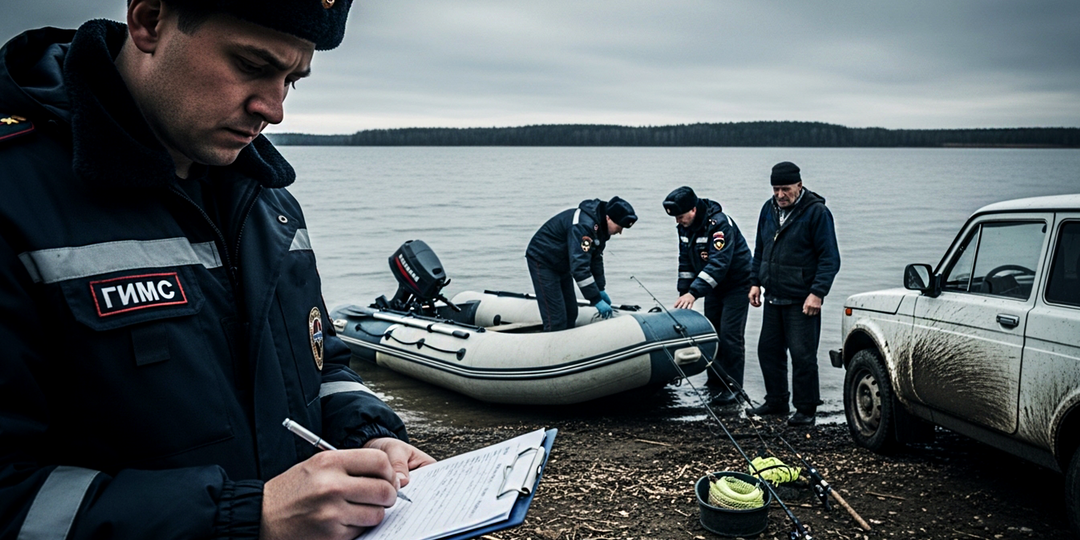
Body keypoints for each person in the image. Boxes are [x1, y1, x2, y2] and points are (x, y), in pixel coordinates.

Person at [0, 1, 435, 539]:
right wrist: (246, 516)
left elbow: (322, 363)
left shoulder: (269, 202)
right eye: (250, 65)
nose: (273, 109)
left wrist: (368, 437)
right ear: (150, 21)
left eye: (291, 81)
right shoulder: (13, 194)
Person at [747, 162, 841, 426]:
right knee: (768, 351)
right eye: (776, 189)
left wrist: (817, 293)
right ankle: (776, 401)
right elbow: (760, 249)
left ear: (799, 185)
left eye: (785, 189)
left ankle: (806, 409)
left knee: (803, 356)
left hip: (802, 299)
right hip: (773, 295)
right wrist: (755, 282)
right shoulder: (768, 209)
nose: (780, 194)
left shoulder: (817, 213)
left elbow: (830, 258)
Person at [664, 186, 753, 405]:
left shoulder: (719, 225)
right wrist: (684, 292)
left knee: (730, 336)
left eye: (681, 216)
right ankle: (715, 383)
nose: (678, 221)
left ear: (693, 210)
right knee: (713, 335)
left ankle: (734, 387)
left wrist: (694, 293)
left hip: (737, 285)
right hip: (713, 286)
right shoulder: (684, 227)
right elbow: (685, 261)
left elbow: (719, 264)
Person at [525, 197, 637, 331]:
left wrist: (600, 288)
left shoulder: (600, 228)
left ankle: (568, 341)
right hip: (543, 259)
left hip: (563, 262)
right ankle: (552, 340)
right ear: (608, 218)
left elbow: (595, 259)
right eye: (619, 227)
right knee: (556, 318)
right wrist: (595, 299)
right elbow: (579, 267)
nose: (620, 232)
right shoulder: (583, 227)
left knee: (571, 312)